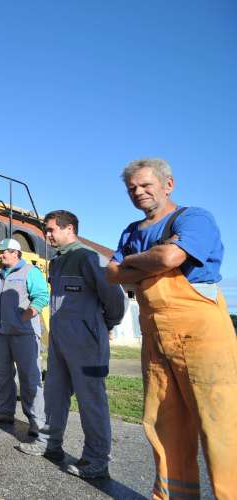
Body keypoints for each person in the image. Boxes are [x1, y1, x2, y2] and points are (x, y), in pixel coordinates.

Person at [106, 159, 236, 498]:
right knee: (164, 426)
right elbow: (113, 274)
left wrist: (135, 263)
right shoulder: (131, 231)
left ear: (169, 184)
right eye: (132, 188)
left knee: (220, 426)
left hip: (202, 336)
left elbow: (169, 261)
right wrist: (150, 258)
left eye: (146, 185)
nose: (139, 192)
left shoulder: (194, 219)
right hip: (156, 340)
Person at [16, 210, 126, 480]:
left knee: (91, 401)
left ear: (70, 229)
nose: (47, 235)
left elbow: (116, 299)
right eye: (47, 230)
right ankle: (50, 444)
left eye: (51, 230)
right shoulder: (57, 262)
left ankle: (97, 459)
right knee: (54, 395)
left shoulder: (89, 258)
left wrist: (103, 325)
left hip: (87, 341)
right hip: (60, 341)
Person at [0, 238, 49, 439]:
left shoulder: (30, 271)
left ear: (15, 253)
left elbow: (41, 297)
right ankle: (5, 411)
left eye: (3, 251)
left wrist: (26, 316)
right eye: (0, 251)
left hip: (24, 334)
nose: (0, 254)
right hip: (3, 334)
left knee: (30, 378)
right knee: (2, 375)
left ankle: (37, 422)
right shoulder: (0, 276)